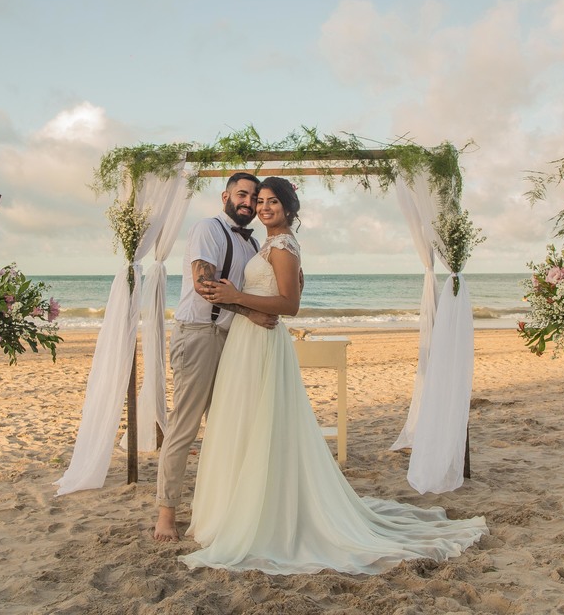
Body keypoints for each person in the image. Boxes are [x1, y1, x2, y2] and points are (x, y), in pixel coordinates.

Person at [183, 177, 488, 575]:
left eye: (272, 201)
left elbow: (289, 304)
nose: (263, 207)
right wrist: (247, 305)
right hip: (246, 340)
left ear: (288, 208)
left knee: (260, 425)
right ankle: (233, 510)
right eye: (259, 201)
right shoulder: (266, 244)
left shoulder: (283, 245)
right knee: (243, 425)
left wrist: (237, 297)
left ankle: (256, 515)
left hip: (260, 343)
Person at [153, 172, 278, 542]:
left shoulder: (252, 242)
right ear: (226, 196)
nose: (248, 202)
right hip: (199, 335)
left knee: (227, 425)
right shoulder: (208, 228)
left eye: (254, 197)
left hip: (233, 341)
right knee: (185, 426)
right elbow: (204, 284)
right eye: (242, 194)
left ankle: (221, 509)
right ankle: (166, 514)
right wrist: (250, 312)